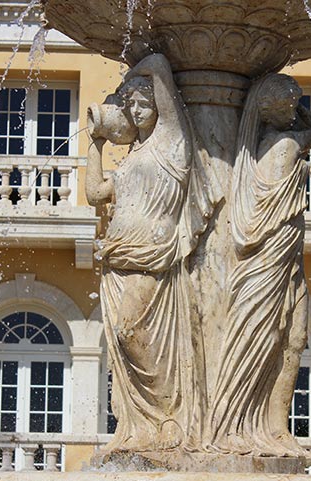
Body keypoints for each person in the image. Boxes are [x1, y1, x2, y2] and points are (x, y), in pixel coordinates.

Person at [85, 53, 209, 452]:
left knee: (130, 330)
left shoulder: (172, 141)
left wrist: (135, 72)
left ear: (159, 104)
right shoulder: (133, 157)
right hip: (118, 260)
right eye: (131, 104)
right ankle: (141, 425)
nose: (136, 110)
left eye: (144, 103)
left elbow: (157, 61)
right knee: (121, 339)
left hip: (150, 256)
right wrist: (96, 143)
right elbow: (94, 194)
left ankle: (167, 416)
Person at [205, 73, 311, 456]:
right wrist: (298, 113)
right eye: (289, 106)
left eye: (296, 106)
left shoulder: (255, 152)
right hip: (274, 259)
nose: (295, 112)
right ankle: (266, 426)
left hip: (275, 257)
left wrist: (274, 101)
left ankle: (268, 425)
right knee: (285, 337)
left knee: (286, 337)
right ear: (274, 113)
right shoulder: (288, 143)